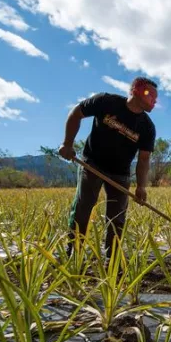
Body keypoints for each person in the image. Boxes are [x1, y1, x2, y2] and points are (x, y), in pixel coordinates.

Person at [58, 76, 158, 260]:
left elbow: (144, 159)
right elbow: (76, 113)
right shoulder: (105, 102)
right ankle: (73, 254)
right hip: (92, 163)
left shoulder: (147, 127)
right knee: (83, 207)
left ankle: (112, 259)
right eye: (150, 94)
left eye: (156, 97)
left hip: (120, 173)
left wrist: (141, 186)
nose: (154, 100)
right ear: (136, 90)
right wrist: (67, 143)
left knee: (117, 217)